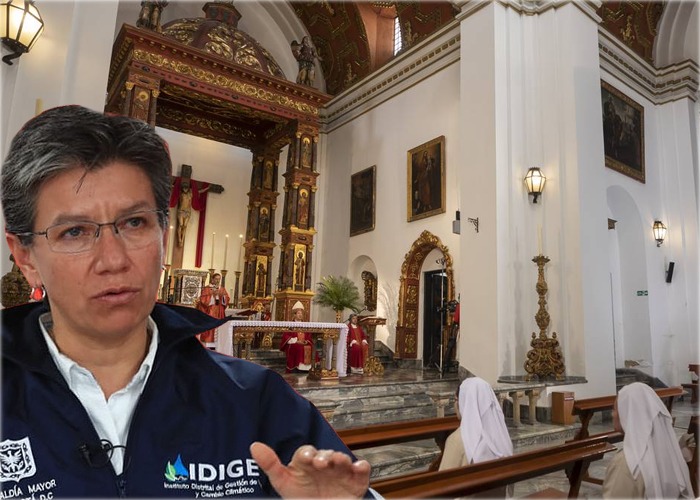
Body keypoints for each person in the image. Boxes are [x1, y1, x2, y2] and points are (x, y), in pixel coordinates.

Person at [1, 105, 371, 497]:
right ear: (25, 257)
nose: (113, 260)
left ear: (163, 234)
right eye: (75, 231)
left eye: (135, 223)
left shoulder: (257, 399)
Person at [602, 382, 694, 498]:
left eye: (615, 409)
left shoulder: (626, 463)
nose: (613, 414)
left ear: (628, 413)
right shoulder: (672, 454)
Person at [195, 272, 229, 348]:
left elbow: (227, 298)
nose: (218, 281)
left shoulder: (222, 289)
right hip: (210, 311)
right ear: (212, 279)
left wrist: (222, 297)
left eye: (219, 279)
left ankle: (218, 344)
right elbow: (203, 299)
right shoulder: (207, 288)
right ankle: (208, 343)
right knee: (210, 327)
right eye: (216, 279)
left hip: (219, 311)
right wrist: (212, 296)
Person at [280, 301, 314, 373]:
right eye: (298, 313)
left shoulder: (305, 325)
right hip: (294, 343)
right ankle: (297, 367)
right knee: (298, 347)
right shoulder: (291, 325)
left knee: (310, 347)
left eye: (301, 313)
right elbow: (286, 336)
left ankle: (308, 368)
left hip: (304, 343)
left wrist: (306, 341)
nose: (300, 315)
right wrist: (296, 341)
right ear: (294, 315)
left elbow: (309, 336)